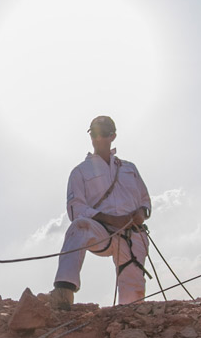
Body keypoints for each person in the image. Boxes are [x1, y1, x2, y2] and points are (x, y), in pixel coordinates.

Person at [49, 115, 153, 307]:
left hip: (132, 236)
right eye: (94, 133)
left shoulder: (129, 168)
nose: (98, 138)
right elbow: (76, 209)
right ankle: (63, 292)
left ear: (113, 136)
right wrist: (111, 220)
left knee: (133, 302)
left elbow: (145, 201)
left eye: (103, 133)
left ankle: (127, 323)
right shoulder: (79, 172)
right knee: (79, 226)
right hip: (102, 232)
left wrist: (141, 214)